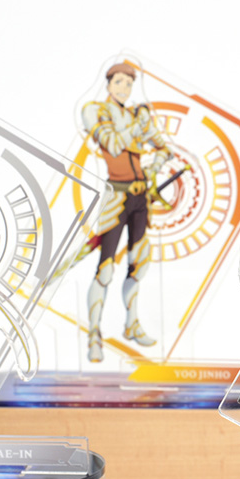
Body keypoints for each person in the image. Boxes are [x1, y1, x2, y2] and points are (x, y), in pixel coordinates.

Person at [81, 62, 172, 362]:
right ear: (109, 83)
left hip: (140, 197)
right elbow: (113, 145)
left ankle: (131, 324)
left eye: (129, 83)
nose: (124, 88)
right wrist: (138, 126)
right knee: (105, 268)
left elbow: (163, 148)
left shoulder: (136, 115)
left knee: (138, 263)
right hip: (116, 196)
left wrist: (154, 168)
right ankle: (94, 334)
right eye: (119, 82)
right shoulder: (96, 111)